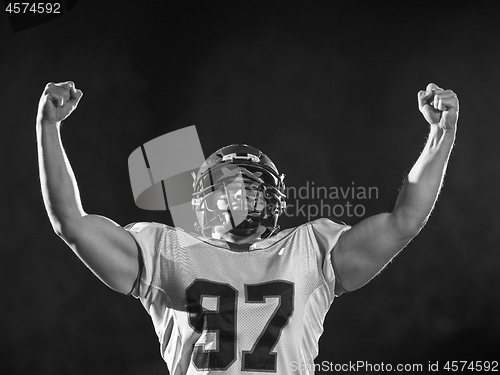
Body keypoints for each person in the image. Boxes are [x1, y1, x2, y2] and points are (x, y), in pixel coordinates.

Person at [37, 81, 458, 374]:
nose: (242, 202)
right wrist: (48, 128)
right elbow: (70, 222)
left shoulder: (310, 248)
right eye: (232, 192)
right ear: (205, 201)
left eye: (253, 192)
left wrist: (442, 135)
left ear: (273, 200)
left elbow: (404, 221)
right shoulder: (167, 250)